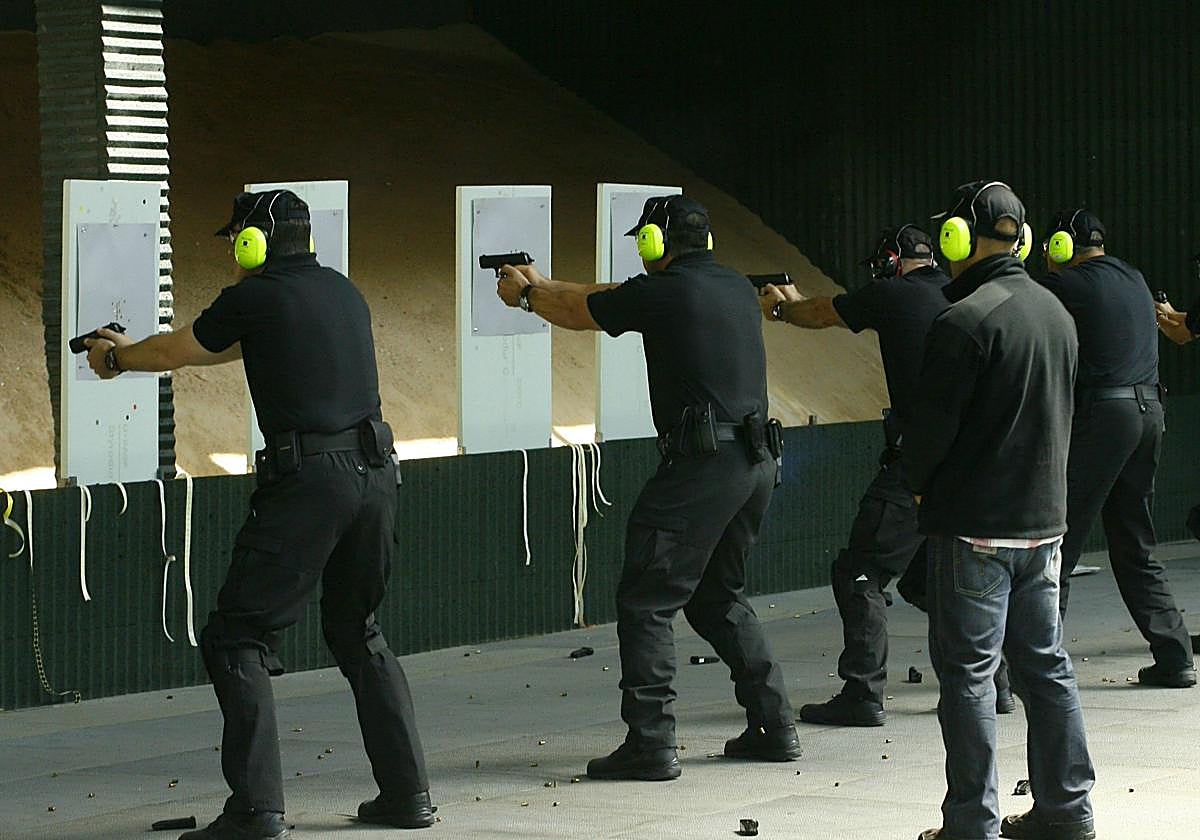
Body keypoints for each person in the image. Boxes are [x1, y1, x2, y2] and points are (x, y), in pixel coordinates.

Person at [86, 190, 433, 839]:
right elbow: (228, 349)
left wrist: (117, 358)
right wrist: (137, 350)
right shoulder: (341, 292)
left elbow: (180, 349)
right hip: (377, 475)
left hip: (312, 482)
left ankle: (255, 809)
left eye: (236, 243)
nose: (233, 256)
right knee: (359, 629)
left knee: (236, 637)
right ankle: (408, 795)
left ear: (253, 243)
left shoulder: (255, 294)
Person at [496, 195, 800, 781]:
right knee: (720, 597)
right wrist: (547, 282)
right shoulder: (735, 288)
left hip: (702, 466)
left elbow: (586, 311)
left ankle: (652, 743)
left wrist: (529, 296)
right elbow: (602, 291)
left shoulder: (661, 292)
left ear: (654, 243)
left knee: (647, 599)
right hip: (756, 461)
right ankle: (774, 724)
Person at [760, 225, 1014, 725]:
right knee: (935, 582)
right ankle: (997, 685)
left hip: (918, 464)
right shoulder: (965, 293)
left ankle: (862, 693)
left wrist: (781, 307)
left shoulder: (893, 294)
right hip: (976, 465)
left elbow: (825, 311)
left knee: (861, 571)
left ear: (892, 262)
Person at [903, 181, 1095, 840]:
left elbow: (928, 437)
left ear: (959, 236)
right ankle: (1067, 812)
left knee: (968, 679)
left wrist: (919, 485)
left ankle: (970, 826)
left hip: (975, 530)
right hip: (1044, 528)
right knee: (1047, 670)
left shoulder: (963, 322)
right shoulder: (1057, 314)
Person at [1040, 209, 1195, 688]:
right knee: (1134, 541)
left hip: (1106, 417)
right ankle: (1175, 657)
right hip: (1150, 412)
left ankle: (1040, 664)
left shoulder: (1069, 285)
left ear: (1063, 247)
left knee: (1057, 540)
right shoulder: (1134, 276)